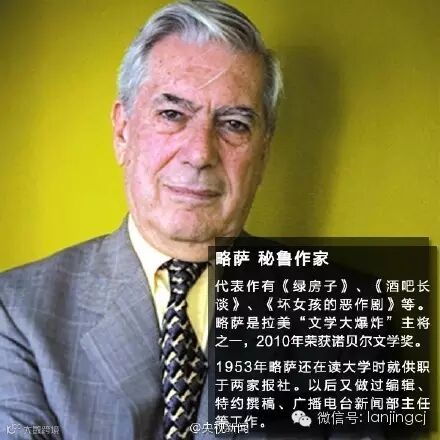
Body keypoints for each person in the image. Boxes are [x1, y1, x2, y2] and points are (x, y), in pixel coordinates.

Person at [0, 1, 284, 439]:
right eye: (172, 114)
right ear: (123, 131)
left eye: (233, 124)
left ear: (262, 154)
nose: (200, 153)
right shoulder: (16, 313)